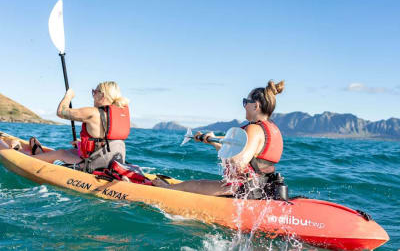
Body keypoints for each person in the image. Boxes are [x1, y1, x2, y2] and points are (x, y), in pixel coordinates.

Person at [153, 80, 285, 199]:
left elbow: (239, 163)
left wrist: (222, 147)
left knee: (195, 185)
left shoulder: (254, 129)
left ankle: (167, 188)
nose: (244, 106)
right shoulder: (273, 129)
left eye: (245, 102)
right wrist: (214, 140)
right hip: (265, 188)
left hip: (245, 189)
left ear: (255, 106)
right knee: (200, 183)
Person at [25, 81, 131, 173]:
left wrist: (68, 96)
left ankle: (28, 159)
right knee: (72, 151)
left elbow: (61, 112)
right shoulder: (120, 114)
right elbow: (105, 141)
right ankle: (40, 154)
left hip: (96, 165)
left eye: (94, 92)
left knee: (61, 153)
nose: (93, 96)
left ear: (102, 96)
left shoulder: (93, 113)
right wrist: (83, 145)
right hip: (113, 162)